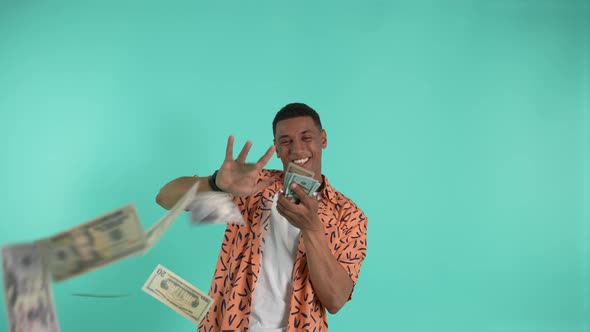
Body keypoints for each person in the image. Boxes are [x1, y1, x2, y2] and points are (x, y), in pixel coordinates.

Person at [156, 103, 368, 332]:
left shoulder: (348, 215)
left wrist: (312, 228)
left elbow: (335, 300)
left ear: (323, 139)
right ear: (276, 148)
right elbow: (166, 198)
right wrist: (215, 183)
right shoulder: (251, 187)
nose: (296, 149)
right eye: (285, 141)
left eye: (306, 138)